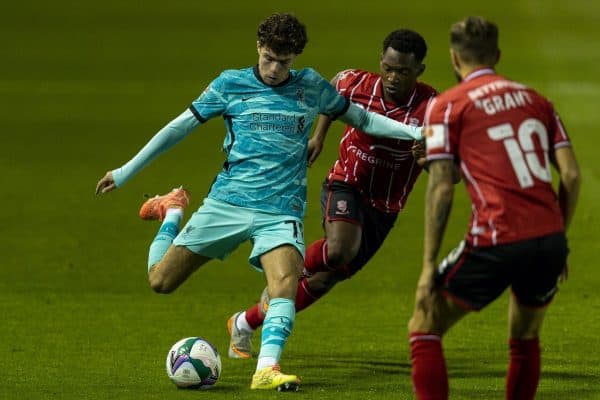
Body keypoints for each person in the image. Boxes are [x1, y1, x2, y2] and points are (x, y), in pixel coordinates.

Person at [95, 13, 422, 391]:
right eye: (268, 57)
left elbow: (364, 120)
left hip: (280, 212)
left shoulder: (311, 87)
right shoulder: (230, 84)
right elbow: (176, 129)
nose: (273, 68)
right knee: (160, 282)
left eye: (283, 61)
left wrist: (415, 131)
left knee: (284, 283)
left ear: (296, 55)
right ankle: (172, 210)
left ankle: (266, 368)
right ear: (258, 48)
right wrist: (124, 172)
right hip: (227, 203)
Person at [227, 29, 437, 360]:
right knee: (339, 249)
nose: (394, 77)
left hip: (385, 206)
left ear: (419, 71)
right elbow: (332, 91)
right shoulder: (356, 83)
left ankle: (244, 322)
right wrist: (319, 136)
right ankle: (286, 273)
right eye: (389, 68)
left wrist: (427, 159)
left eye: (404, 71)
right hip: (347, 182)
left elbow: (444, 171)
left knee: (326, 279)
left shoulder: (432, 109)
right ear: (381, 62)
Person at [407, 16, 580, 400]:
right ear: (497, 55)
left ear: (454, 58)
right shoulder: (537, 100)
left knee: (425, 323)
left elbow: (441, 187)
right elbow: (570, 176)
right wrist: (558, 239)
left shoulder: (446, 106)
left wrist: (426, 268)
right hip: (549, 240)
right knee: (525, 335)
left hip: (495, 238)